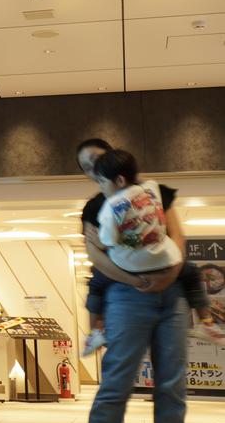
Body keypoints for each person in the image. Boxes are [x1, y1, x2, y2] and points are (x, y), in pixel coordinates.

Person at [76, 139, 189, 423]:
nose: (92, 170)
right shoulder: (95, 207)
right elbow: (95, 255)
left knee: (172, 385)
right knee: (117, 383)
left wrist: (170, 275)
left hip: (172, 297)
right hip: (126, 297)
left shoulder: (157, 193)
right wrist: (136, 281)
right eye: (86, 167)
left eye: (96, 161)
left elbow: (178, 236)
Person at [82, 149, 225, 355]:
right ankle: (207, 322)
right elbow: (175, 233)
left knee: (96, 282)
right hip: (165, 258)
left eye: (102, 181)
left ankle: (95, 330)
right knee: (192, 273)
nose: (100, 186)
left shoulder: (110, 206)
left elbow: (107, 240)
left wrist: (103, 244)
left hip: (132, 266)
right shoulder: (151, 189)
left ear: (119, 180)